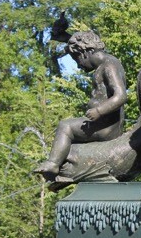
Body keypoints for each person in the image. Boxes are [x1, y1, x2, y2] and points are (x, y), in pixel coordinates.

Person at [34, 31, 128, 180]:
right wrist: (64, 37)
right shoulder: (105, 64)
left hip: (105, 127)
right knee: (66, 146)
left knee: (65, 126)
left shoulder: (109, 64)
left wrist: (99, 110)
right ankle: (65, 175)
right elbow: (79, 43)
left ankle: (52, 164)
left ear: (85, 53)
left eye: (77, 60)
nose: (78, 66)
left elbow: (121, 96)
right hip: (102, 124)